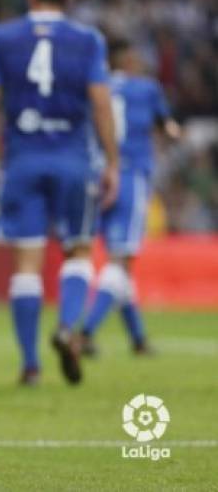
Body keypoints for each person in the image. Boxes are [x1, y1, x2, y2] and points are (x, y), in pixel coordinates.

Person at [0, 0, 119, 386]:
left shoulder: (2, 38)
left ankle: (30, 363)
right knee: (77, 249)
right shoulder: (88, 40)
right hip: (73, 159)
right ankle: (67, 326)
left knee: (26, 262)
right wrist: (112, 161)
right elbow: (101, 103)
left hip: (22, 159)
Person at [79, 39, 180, 356]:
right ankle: (85, 332)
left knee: (116, 262)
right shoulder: (146, 88)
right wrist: (174, 132)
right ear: (132, 61)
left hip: (97, 178)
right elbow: (169, 128)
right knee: (121, 262)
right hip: (129, 176)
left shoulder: (95, 86)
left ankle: (137, 339)